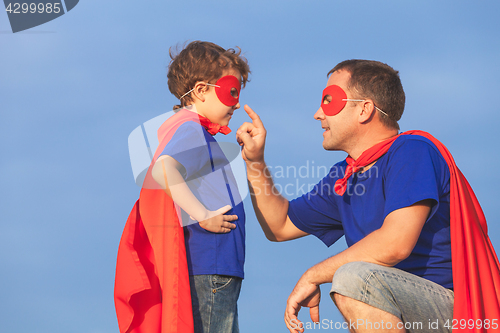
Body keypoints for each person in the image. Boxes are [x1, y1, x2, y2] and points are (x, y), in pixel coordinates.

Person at [236, 59, 500, 333]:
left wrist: (313, 275)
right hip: (395, 304)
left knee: (353, 279)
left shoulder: (412, 151)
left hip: (456, 313)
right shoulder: (345, 176)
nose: (317, 114)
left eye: (329, 101)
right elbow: (279, 225)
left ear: (364, 109)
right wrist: (255, 162)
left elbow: (395, 243)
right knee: (355, 280)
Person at [115, 41, 250, 333]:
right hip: (210, 266)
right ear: (201, 90)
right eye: (231, 90)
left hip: (212, 266)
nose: (237, 102)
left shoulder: (185, 128)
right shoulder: (191, 129)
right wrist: (203, 214)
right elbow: (165, 168)